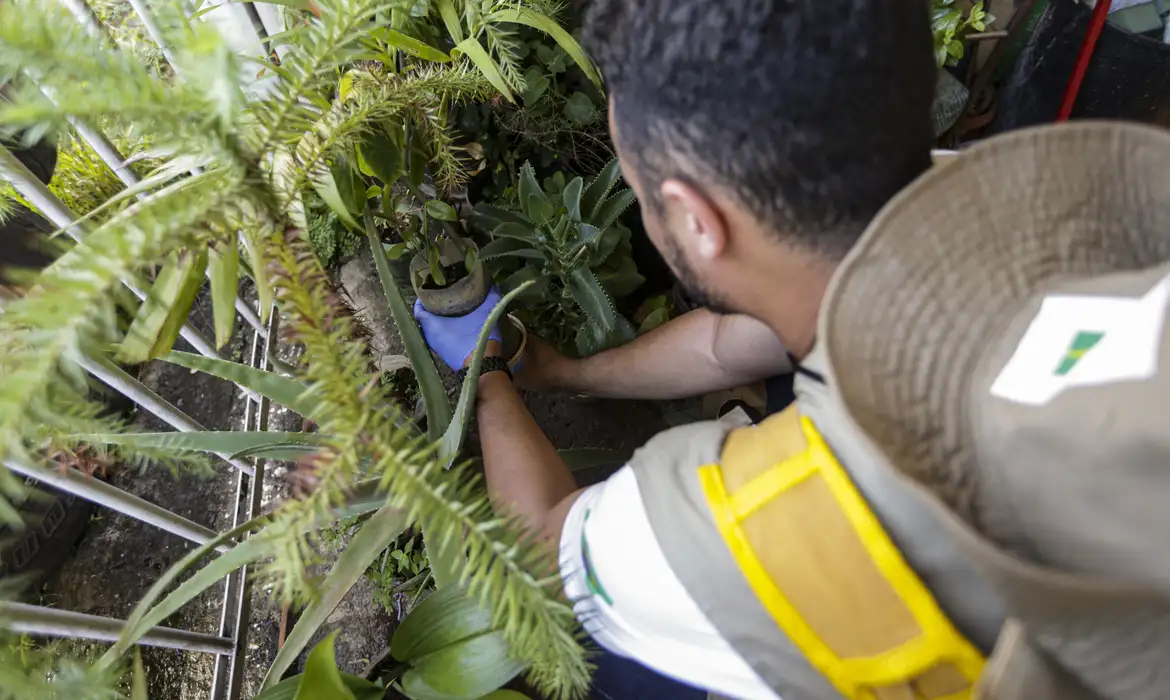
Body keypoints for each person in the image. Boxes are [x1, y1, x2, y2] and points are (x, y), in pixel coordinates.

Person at [420, 5, 1170, 700]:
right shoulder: (989, 200)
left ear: (693, 218)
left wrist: (487, 375)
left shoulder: (780, 522)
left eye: (643, 189)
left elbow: (546, 552)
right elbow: (728, 347)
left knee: (615, 664)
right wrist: (565, 374)